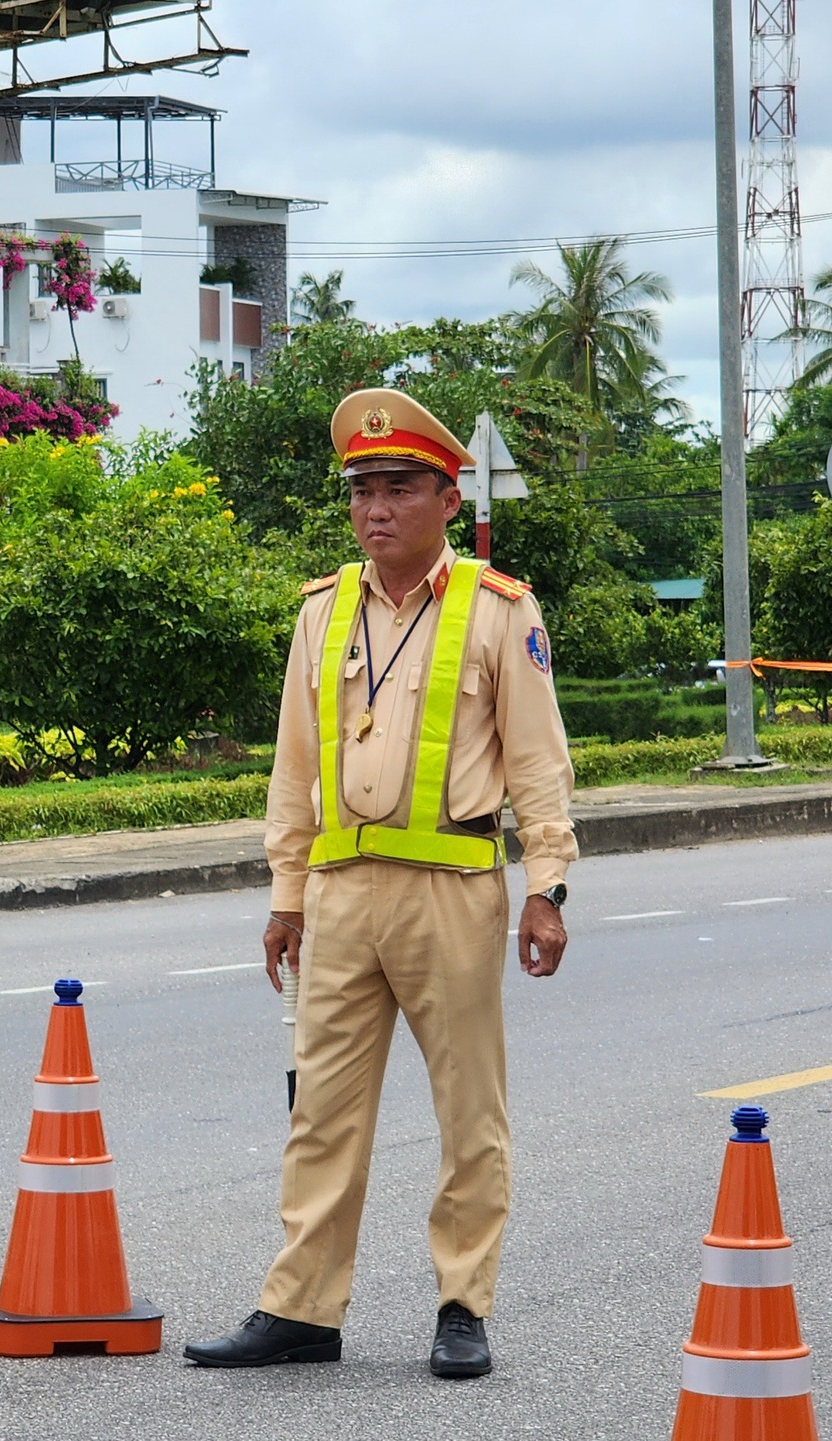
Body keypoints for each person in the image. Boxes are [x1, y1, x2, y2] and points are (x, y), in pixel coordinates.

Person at [185, 388, 576, 1377]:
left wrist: (549, 884)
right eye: (361, 490)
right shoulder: (323, 611)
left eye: (399, 487)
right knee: (321, 1107)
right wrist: (283, 893)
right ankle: (302, 1308)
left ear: (449, 497)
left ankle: (462, 1303)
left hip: (452, 889)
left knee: (466, 1107)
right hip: (339, 892)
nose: (375, 508)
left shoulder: (497, 608)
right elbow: (291, 766)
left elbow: (537, 761)